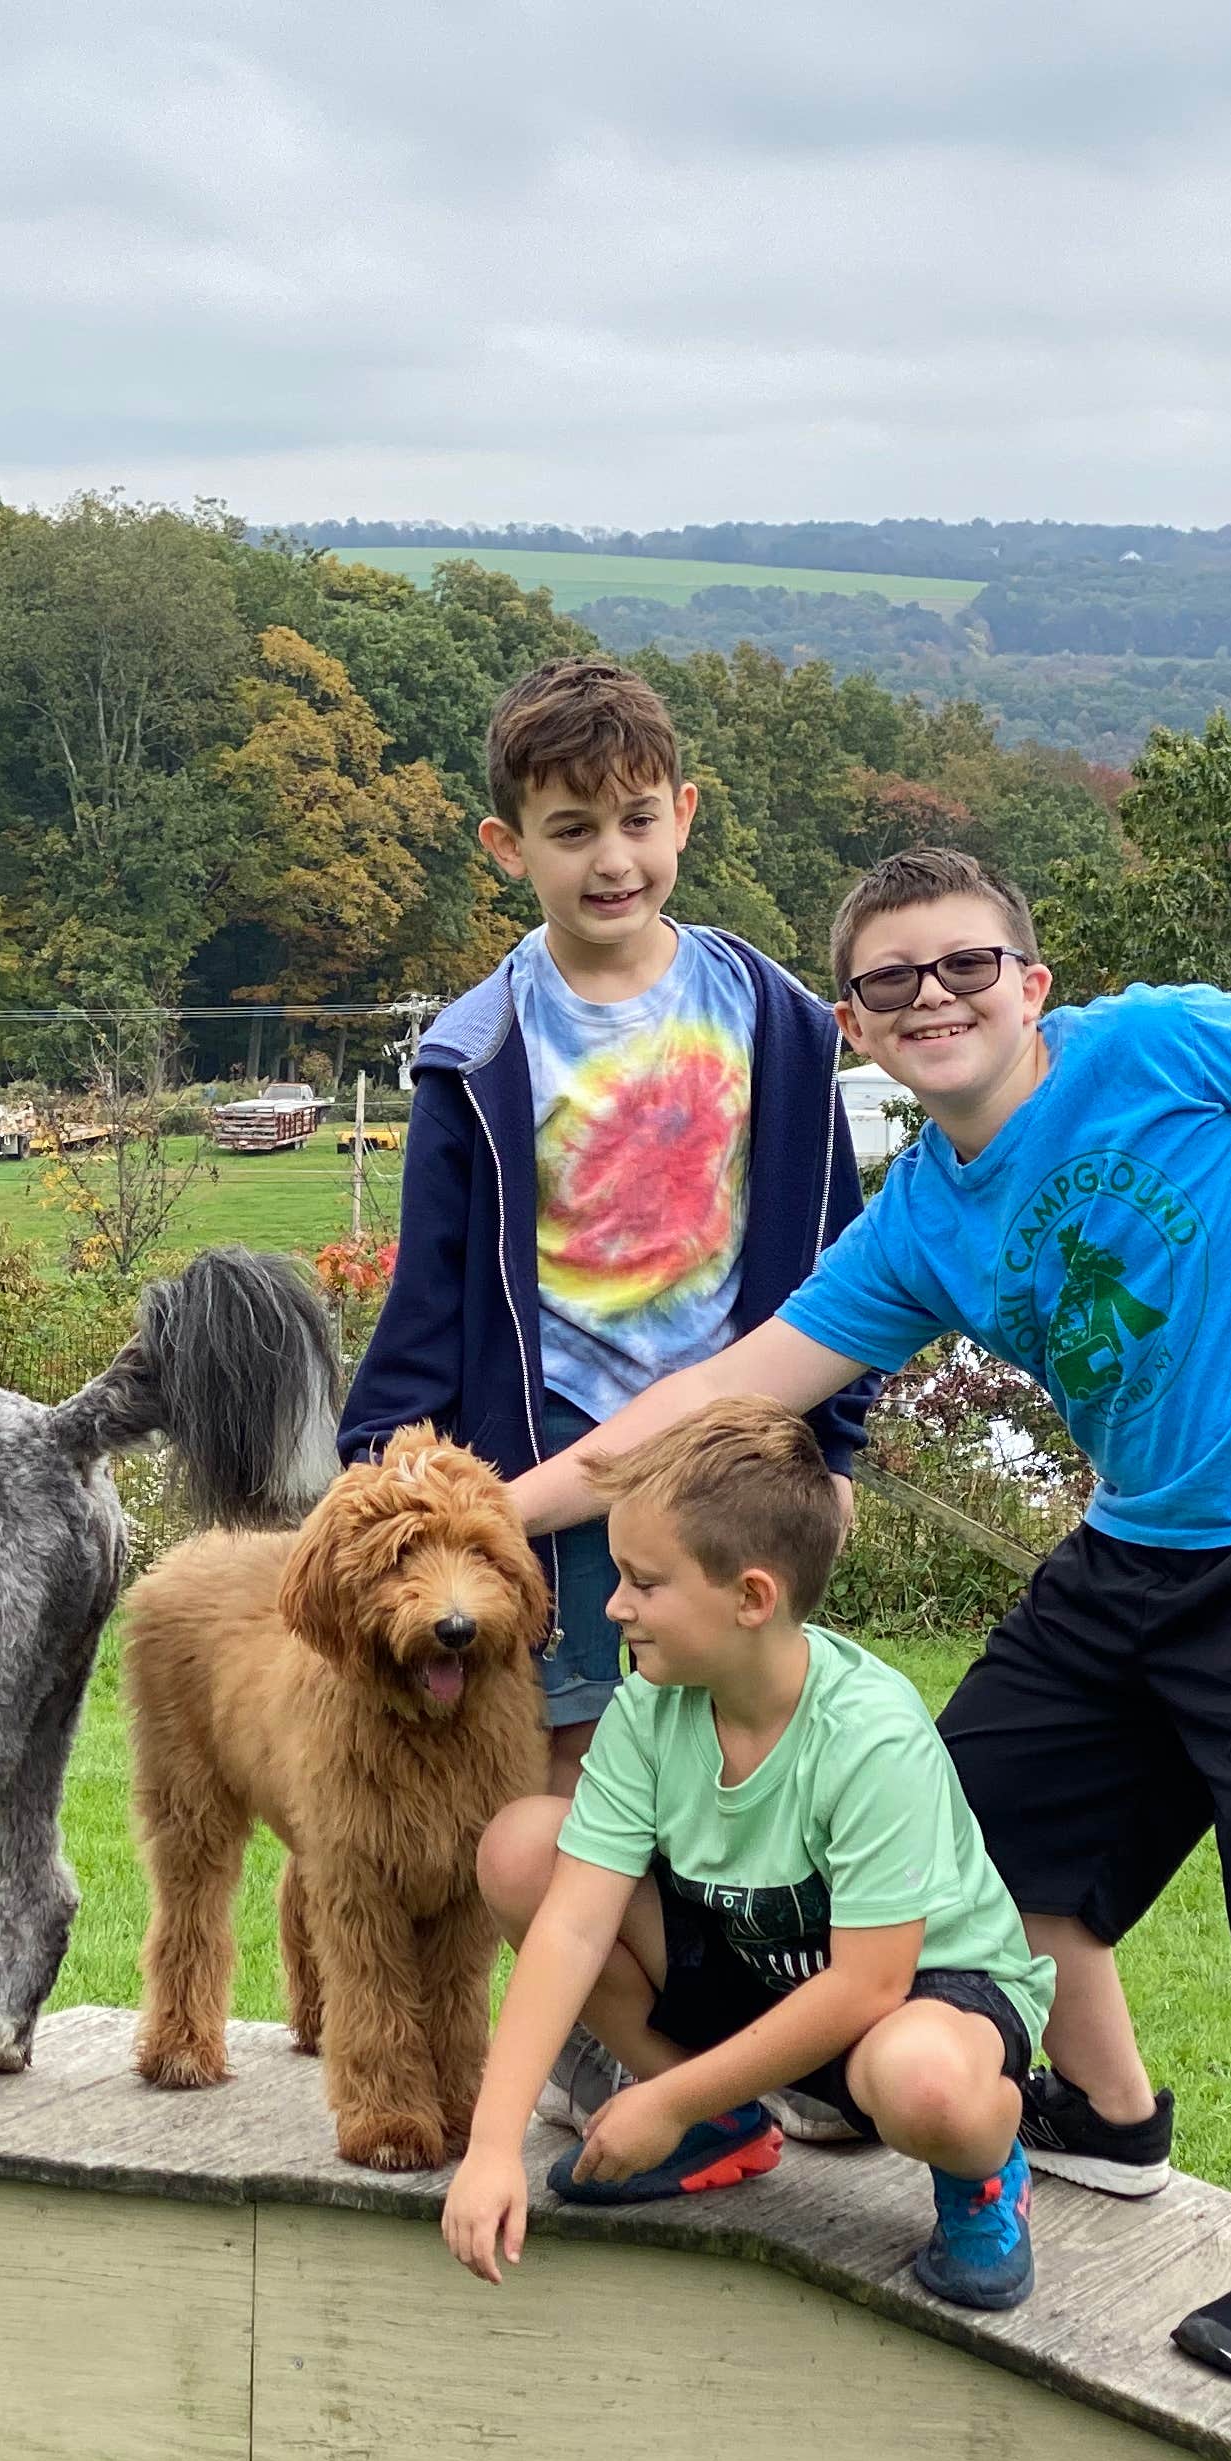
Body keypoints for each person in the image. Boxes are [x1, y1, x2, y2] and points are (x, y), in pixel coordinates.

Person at [507, 844, 1231, 2391]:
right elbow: (723, 1392)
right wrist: (485, 1516)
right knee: (970, 1807)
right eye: (892, 981)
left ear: (1033, 984)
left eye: (968, 964)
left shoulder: (1154, 1042)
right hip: (1136, 1545)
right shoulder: (920, 1221)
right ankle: (1107, 2115)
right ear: (857, 1029)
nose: (936, 996)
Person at [340, 658, 872, 1793]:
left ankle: (737, 1981)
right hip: (559, 1462)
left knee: (754, 1771)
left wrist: (835, 1452)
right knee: (575, 1778)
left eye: (637, 819)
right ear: (508, 846)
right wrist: (383, 1457)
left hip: (738, 1457)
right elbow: (430, 1287)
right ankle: (604, 1975)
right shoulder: (476, 1053)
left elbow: (846, 1261)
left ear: (683, 813)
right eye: (571, 830)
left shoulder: (776, 1020)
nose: (613, 860)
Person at [441, 1401, 1055, 2312]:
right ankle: (726, 2128)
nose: (614, 1607)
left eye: (643, 1583)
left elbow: (866, 1988)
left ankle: (985, 2174)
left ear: (751, 1598)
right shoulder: (653, 1708)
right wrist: (493, 2146)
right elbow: (573, 1925)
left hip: (914, 1996)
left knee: (927, 2087)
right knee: (524, 1851)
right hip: (753, 1965)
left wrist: (667, 2100)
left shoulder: (868, 1734)